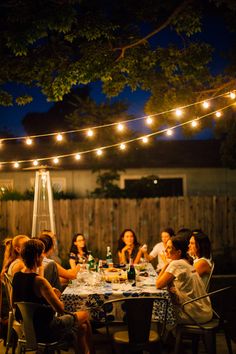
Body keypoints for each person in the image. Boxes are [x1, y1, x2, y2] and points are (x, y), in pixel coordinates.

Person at [12, 238, 94, 354]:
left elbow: (13, 304)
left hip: (26, 329)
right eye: (42, 255)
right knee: (85, 314)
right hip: (47, 330)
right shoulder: (40, 281)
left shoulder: (16, 277)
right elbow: (60, 309)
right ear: (37, 256)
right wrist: (57, 295)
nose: (43, 258)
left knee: (82, 327)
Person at [156, 235, 213, 324]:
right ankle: (169, 336)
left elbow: (158, 284)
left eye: (169, 247)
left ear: (178, 252)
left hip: (195, 315)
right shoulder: (186, 262)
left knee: (157, 309)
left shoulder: (176, 264)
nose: (165, 250)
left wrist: (167, 263)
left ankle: (164, 336)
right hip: (205, 311)